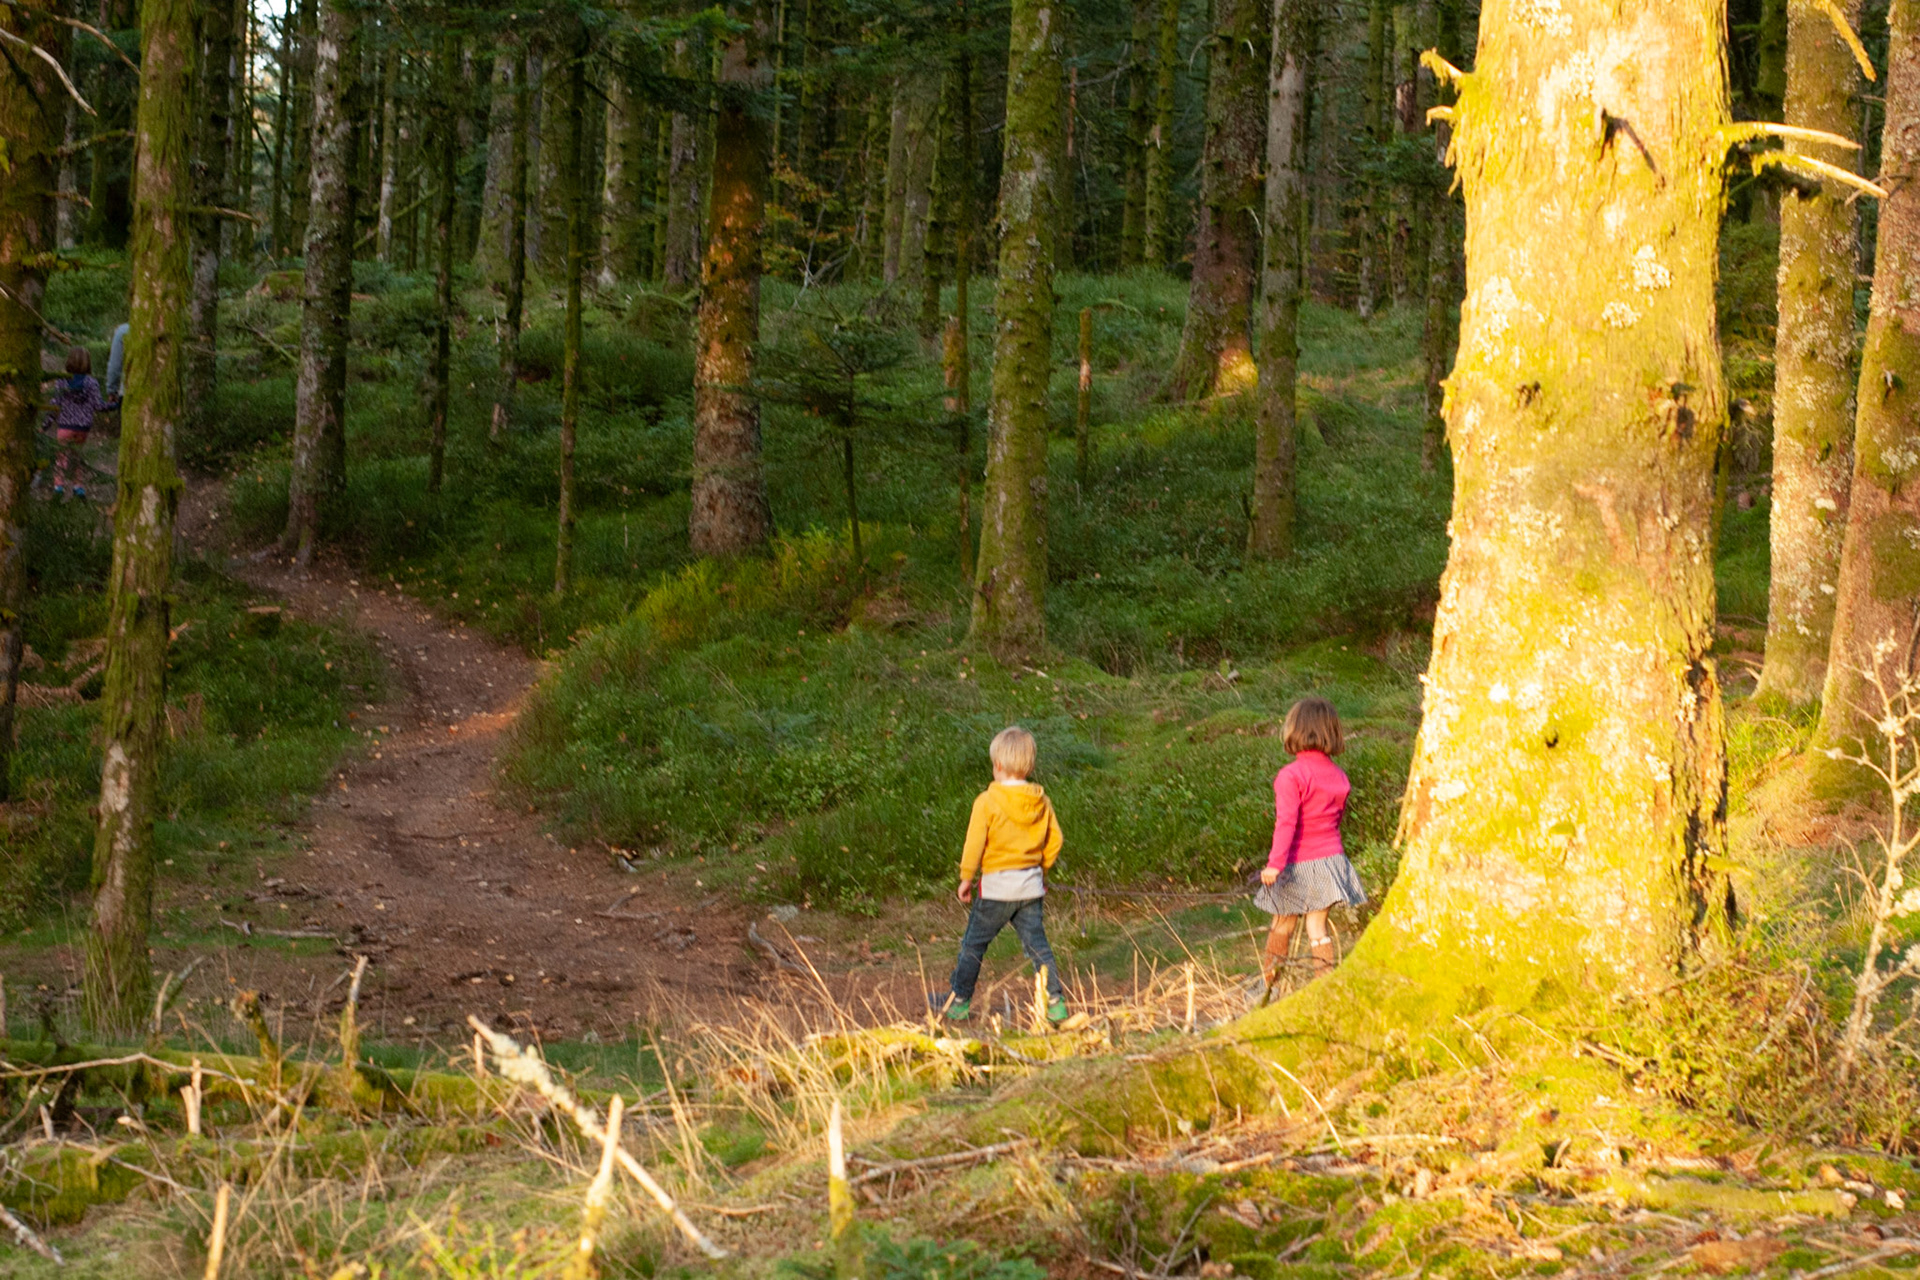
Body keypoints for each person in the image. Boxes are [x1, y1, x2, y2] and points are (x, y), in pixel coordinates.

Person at [932, 725, 1070, 1025]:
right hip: (1030, 889)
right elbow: (1055, 840)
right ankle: (1056, 1004)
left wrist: (966, 877)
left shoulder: (987, 801)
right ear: (1029, 766)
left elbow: (975, 843)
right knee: (1038, 947)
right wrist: (1042, 869)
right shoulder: (1041, 801)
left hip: (995, 890)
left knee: (973, 946)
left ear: (997, 765)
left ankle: (959, 1002)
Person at [1256, 697, 1367, 986]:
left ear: (1295, 730)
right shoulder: (1339, 775)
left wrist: (1274, 865)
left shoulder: (1291, 776)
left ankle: (1269, 988)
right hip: (1331, 861)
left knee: (1282, 925)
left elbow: (1286, 823)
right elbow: (1334, 819)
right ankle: (1324, 987)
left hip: (1297, 863)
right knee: (1317, 928)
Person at [46, 346, 103, 498]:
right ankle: (78, 487)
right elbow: (98, 405)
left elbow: (55, 404)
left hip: (65, 426)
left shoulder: (62, 381)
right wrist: (116, 404)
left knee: (61, 457)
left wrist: (46, 424)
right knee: (77, 456)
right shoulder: (92, 383)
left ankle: (59, 486)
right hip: (83, 428)